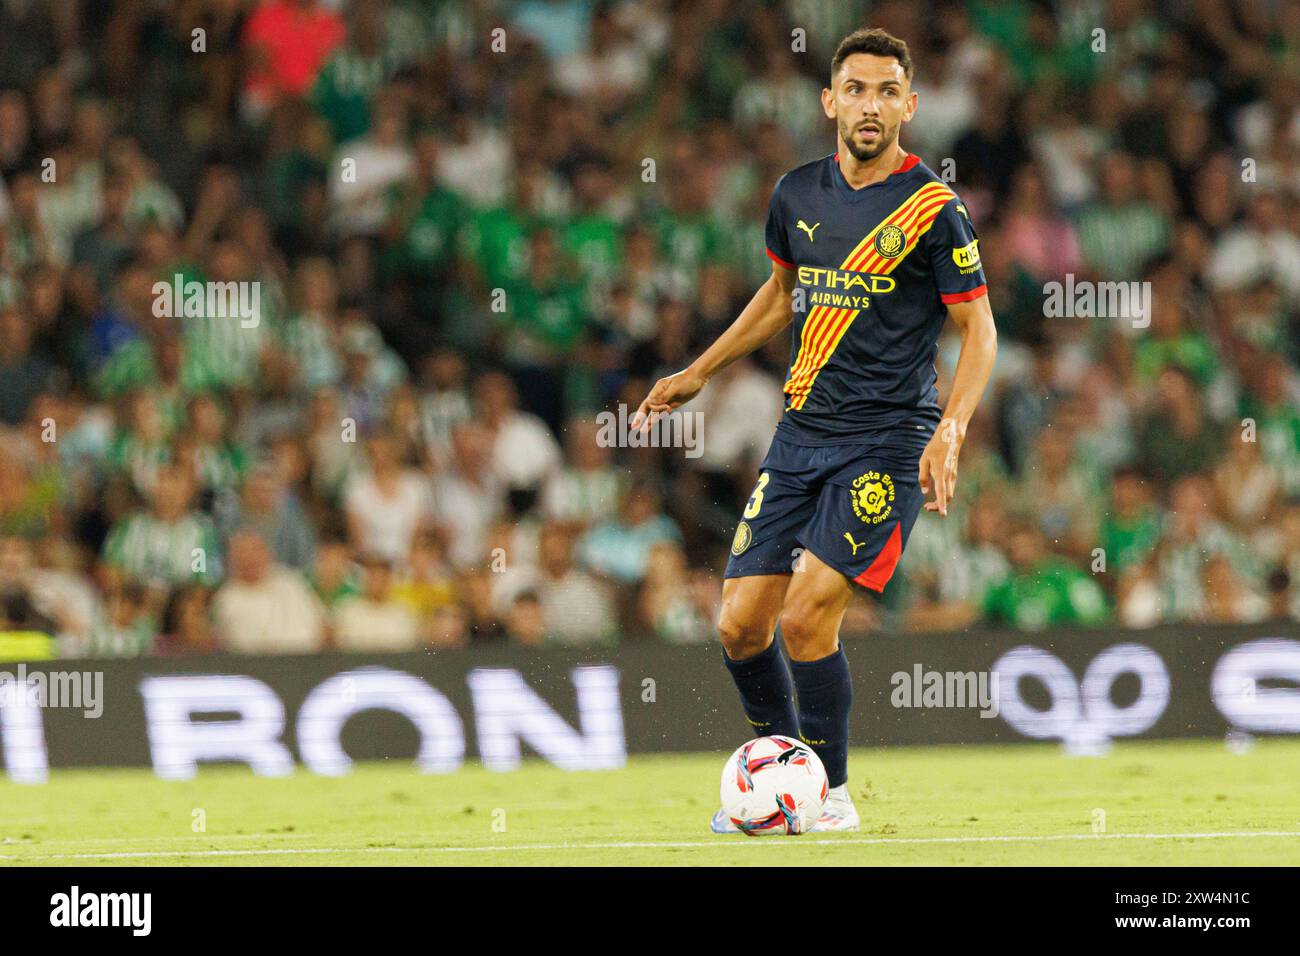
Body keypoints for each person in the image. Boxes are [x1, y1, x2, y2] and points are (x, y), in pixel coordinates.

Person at [633, 29, 997, 833]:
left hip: (888, 440)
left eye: (887, 90)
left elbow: (980, 330)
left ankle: (828, 795)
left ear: (910, 103)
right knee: (737, 624)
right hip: (801, 433)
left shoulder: (935, 208)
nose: (871, 105)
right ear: (830, 101)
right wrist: (703, 368)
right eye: (856, 89)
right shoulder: (796, 193)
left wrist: (953, 429)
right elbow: (779, 295)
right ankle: (780, 778)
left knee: (805, 618)